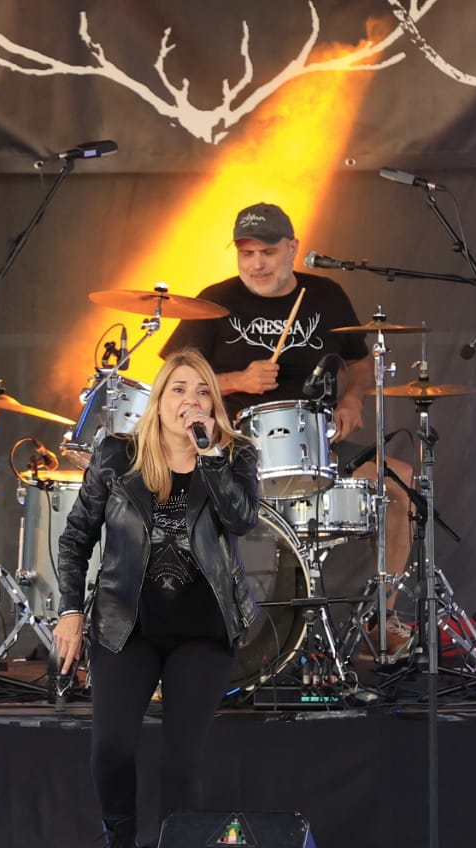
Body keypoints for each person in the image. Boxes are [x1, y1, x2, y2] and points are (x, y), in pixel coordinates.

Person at [53, 349, 260, 848]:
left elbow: (242, 520)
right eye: (178, 390)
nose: (190, 401)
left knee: (180, 761)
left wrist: (209, 455)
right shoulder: (116, 455)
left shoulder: (235, 454)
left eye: (202, 391)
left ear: (213, 404)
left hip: (204, 630)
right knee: (111, 747)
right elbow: (76, 537)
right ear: (158, 400)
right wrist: (69, 611)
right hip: (128, 624)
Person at [163, 202, 417, 659]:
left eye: (268, 252)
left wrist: (352, 400)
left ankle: (382, 617)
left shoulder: (325, 297)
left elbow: (360, 363)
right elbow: (172, 381)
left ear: (292, 248)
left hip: (314, 445)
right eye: (246, 254)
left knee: (399, 483)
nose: (257, 264)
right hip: (231, 447)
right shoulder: (213, 301)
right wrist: (237, 380)